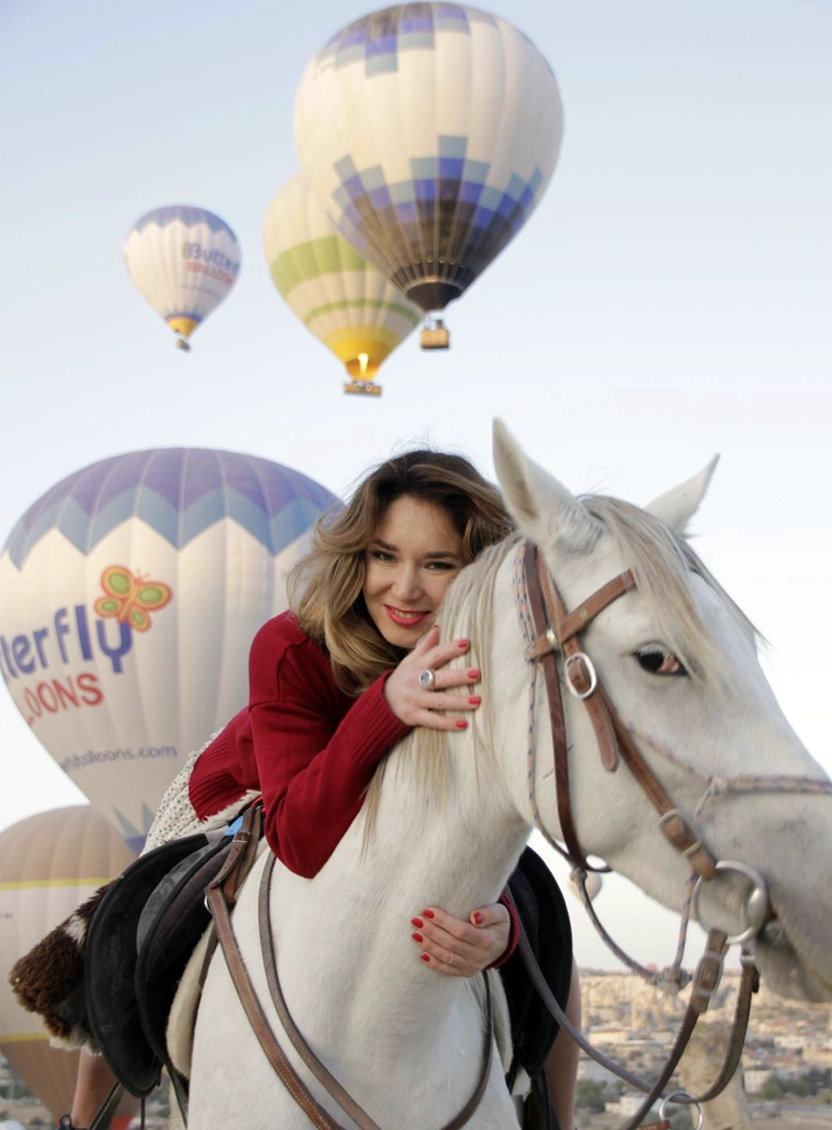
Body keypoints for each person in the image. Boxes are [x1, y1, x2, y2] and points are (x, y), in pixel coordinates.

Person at [63, 449, 580, 1130]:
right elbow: (299, 840)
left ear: (477, 572)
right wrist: (386, 706)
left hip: (414, 816)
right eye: (384, 556)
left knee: (551, 940)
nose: (405, 588)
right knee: (134, 925)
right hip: (253, 794)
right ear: (354, 555)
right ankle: (90, 1115)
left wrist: (500, 931)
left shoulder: (486, 660)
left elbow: (485, 816)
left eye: (438, 564)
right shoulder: (291, 645)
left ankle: (555, 1119)